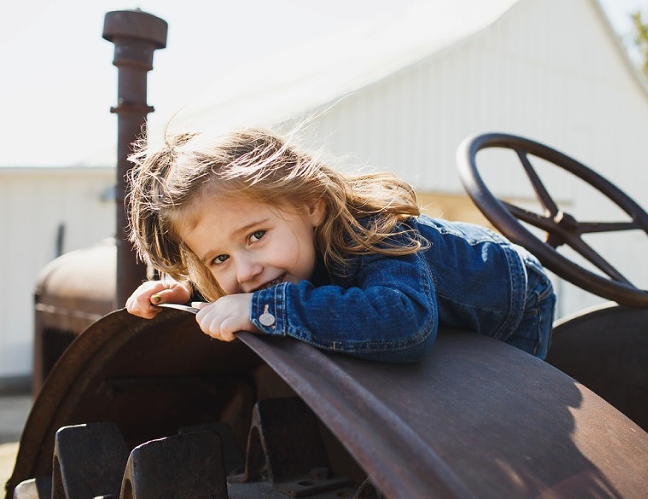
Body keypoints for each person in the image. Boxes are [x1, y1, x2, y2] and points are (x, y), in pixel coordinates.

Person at [125, 127, 555, 363]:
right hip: (440, 296)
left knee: (495, 419)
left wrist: (263, 310)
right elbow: (246, 286)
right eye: (219, 258)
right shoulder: (273, 262)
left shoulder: (379, 234)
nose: (246, 271)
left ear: (311, 205)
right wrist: (190, 295)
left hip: (516, 298)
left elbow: (406, 324)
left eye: (256, 236)